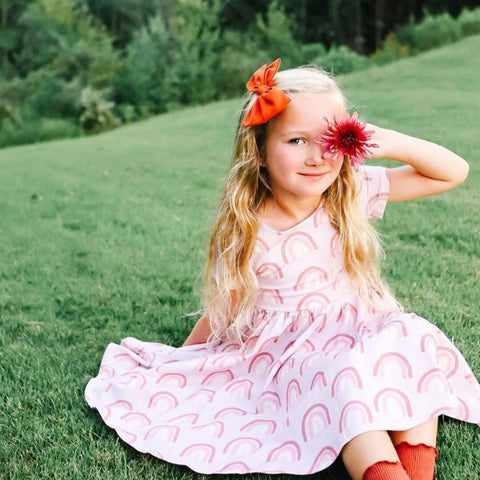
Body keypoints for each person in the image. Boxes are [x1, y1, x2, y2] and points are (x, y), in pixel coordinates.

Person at [85, 59, 480, 480]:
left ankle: (418, 468)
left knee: (411, 338)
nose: (317, 157)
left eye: (330, 139)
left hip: (364, 328)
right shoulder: (249, 226)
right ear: (259, 150)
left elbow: (453, 172)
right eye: (296, 140)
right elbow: (226, 306)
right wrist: (185, 362)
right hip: (297, 355)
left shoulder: (350, 192)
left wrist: (388, 142)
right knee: (341, 384)